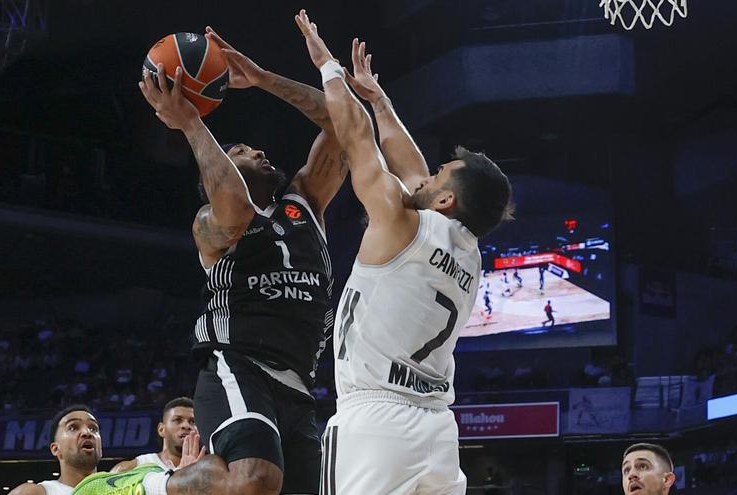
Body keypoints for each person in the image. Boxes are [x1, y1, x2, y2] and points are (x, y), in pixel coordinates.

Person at [76, 25, 346, 495]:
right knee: (257, 479)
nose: (258, 150)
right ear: (219, 167)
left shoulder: (305, 202)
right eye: (240, 151)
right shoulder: (211, 222)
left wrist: (264, 79)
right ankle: (159, 485)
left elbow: (344, 124)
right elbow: (236, 206)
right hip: (238, 363)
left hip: (301, 380)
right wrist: (190, 123)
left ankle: (183, 480)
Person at [296, 10, 512, 494]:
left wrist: (328, 66)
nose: (428, 175)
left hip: (374, 421)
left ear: (445, 200)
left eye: (439, 175)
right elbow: (411, 170)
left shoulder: (399, 221)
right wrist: (381, 100)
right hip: (437, 429)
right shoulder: (469, 252)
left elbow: (356, 139)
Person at [10, 405, 102, 495]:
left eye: (93, 428)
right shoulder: (34, 492)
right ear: (55, 449)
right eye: (73, 427)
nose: (87, 433)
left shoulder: (116, 485)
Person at [110, 397, 199, 473]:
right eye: (178, 420)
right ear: (161, 429)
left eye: (192, 422)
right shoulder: (132, 468)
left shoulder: (208, 471)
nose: (186, 426)